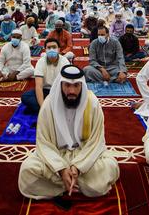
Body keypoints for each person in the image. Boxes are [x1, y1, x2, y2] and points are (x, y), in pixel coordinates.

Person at [18, 65, 119, 199]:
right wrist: (61, 169)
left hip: (84, 154)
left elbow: (96, 141)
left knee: (109, 167)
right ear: (60, 85)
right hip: (55, 154)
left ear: (82, 86)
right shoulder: (49, 105)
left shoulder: (92, 103)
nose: (71, 90)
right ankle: (75, 183)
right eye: (67, 85)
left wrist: (78, 167)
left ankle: (62, 185)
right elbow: (43, 142)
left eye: (76, 86)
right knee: (27, 171)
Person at [20, 38, 70, 115]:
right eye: (49, 48)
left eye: (54, 47)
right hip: (45, 91)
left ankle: (39, 109)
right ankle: (48, 109)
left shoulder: (65, 62)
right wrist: (42, 107)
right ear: (45, 50)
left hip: (59, 91)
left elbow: (67, 84)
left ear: (59, 49)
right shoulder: (41, 62)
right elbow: (39, 87)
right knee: (26, 96)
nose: (51, 49)